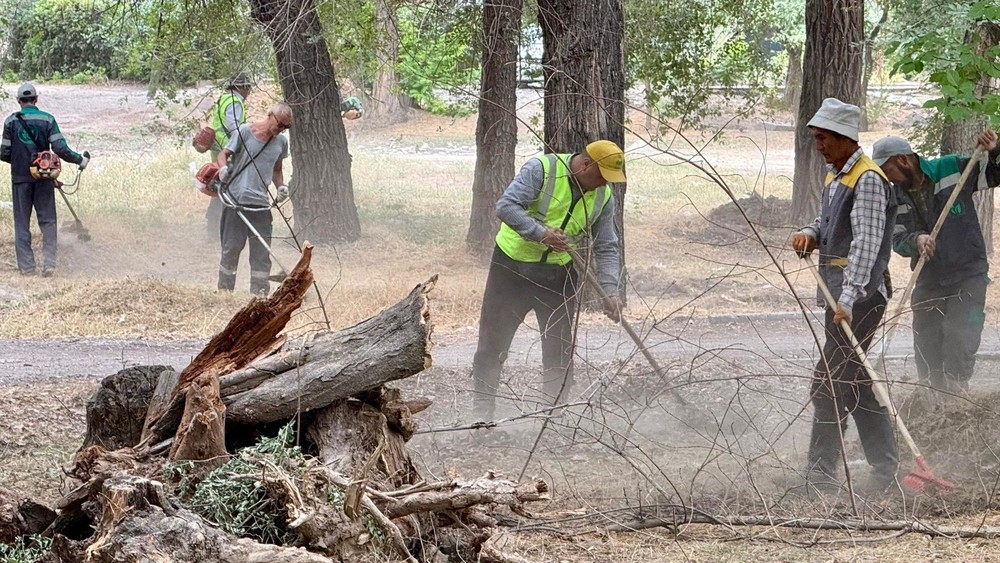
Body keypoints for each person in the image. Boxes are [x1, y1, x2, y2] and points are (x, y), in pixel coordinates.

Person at [471, 140, 626, 420]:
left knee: (559, 349)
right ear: (586, 164)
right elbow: (506, 207)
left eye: (610, 180)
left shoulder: (603, 197)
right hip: (511, 270)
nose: (605, 184)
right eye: (602, 176)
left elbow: (607, 246)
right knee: (493, 345)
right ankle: (482, 414)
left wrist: (611, 289)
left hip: (559, 275)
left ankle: (552, 416)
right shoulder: (541, 170)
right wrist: (540, 233)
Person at [790, 98, 899, 492]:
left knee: (829, 382)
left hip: (861, 298)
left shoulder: (868, 179)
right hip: (840, 296)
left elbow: (867, 245)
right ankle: (887, 469)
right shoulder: (837, 175)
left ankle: (820, 477)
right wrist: (811, 233)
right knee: (853, 380)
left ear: (844, 137)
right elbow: (829, 221)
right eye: (816, 138)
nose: (817, 145)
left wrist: (850, 297)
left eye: (823, 139)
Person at [872, 130, 1000, 396]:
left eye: (888, 170)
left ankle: (956, 394)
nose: (887, 178)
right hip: (929, 276)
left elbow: (994, 173)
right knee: (926, 336)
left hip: (968, 271)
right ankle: (931, 395)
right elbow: (897, 238)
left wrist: (994, 149)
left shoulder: (950, 168)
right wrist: (916, 240)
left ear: (903, 161)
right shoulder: (894, 195)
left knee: (960, 333)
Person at [1, 82, 89, 276]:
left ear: (18, 101)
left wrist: (22, 164)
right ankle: (49, 264)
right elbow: (60, 149)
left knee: (22, 223)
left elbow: (4, 153)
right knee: (48, 221)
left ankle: (27, 268)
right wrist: (79, 160)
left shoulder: (10, 122)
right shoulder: (48, 119)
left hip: (20, 180)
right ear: (36, 99)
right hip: (44, 177)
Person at [214, 102, 291, 296]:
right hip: (235, 202)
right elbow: (224, 154)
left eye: (286, 128)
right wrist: (223, 169)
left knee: (261, 254)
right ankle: (224, 292)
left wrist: (281, 187)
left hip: (260, 206)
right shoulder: (245, 132)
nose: (281, 130)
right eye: (280, 124)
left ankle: (259, 294)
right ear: (270, 115)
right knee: (231, 248)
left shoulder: (281, 143)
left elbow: (277, 170)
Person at [206, 73, 253, 237]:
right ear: (241, 87)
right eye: (248, 87)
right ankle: (217, 226)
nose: (249, 91)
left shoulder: (225, 98)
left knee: (221, 186)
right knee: (226, 188)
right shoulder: (235, 101)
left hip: (219, 147)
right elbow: (234, 127)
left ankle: (215, 226)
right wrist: (246, 142)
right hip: (229, 150)